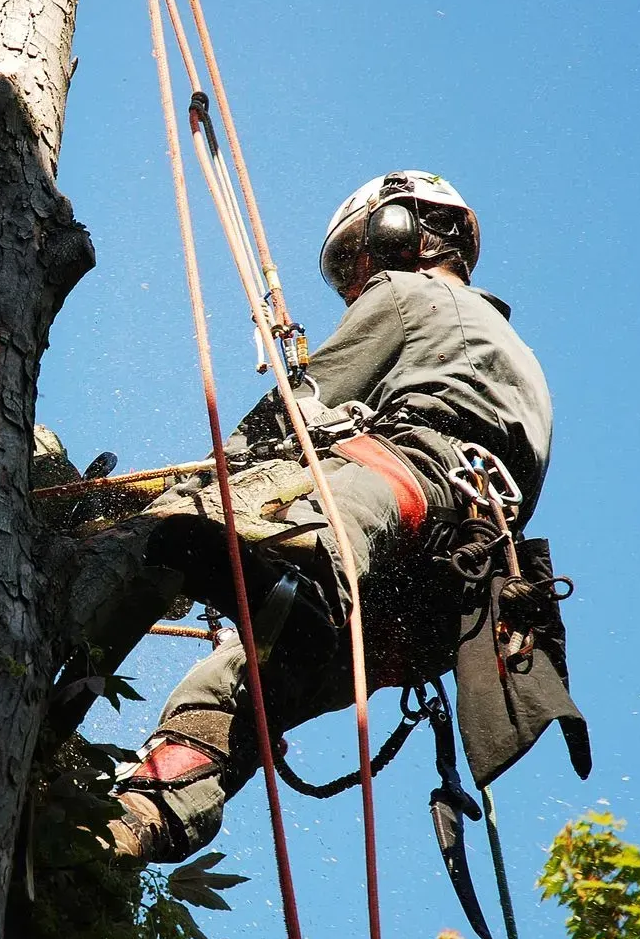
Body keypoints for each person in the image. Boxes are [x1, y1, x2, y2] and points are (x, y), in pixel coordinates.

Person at [54, 171, 560, 863]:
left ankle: (25, 644)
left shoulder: (407, 293)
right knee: (233, 690)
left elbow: (297, 412)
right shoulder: (517, 354)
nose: (356, 278)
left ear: (404, 232)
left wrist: (152, 496)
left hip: (392, 489)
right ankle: (134, 825)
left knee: (173, 530)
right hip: (440, 604)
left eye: (360, 253)